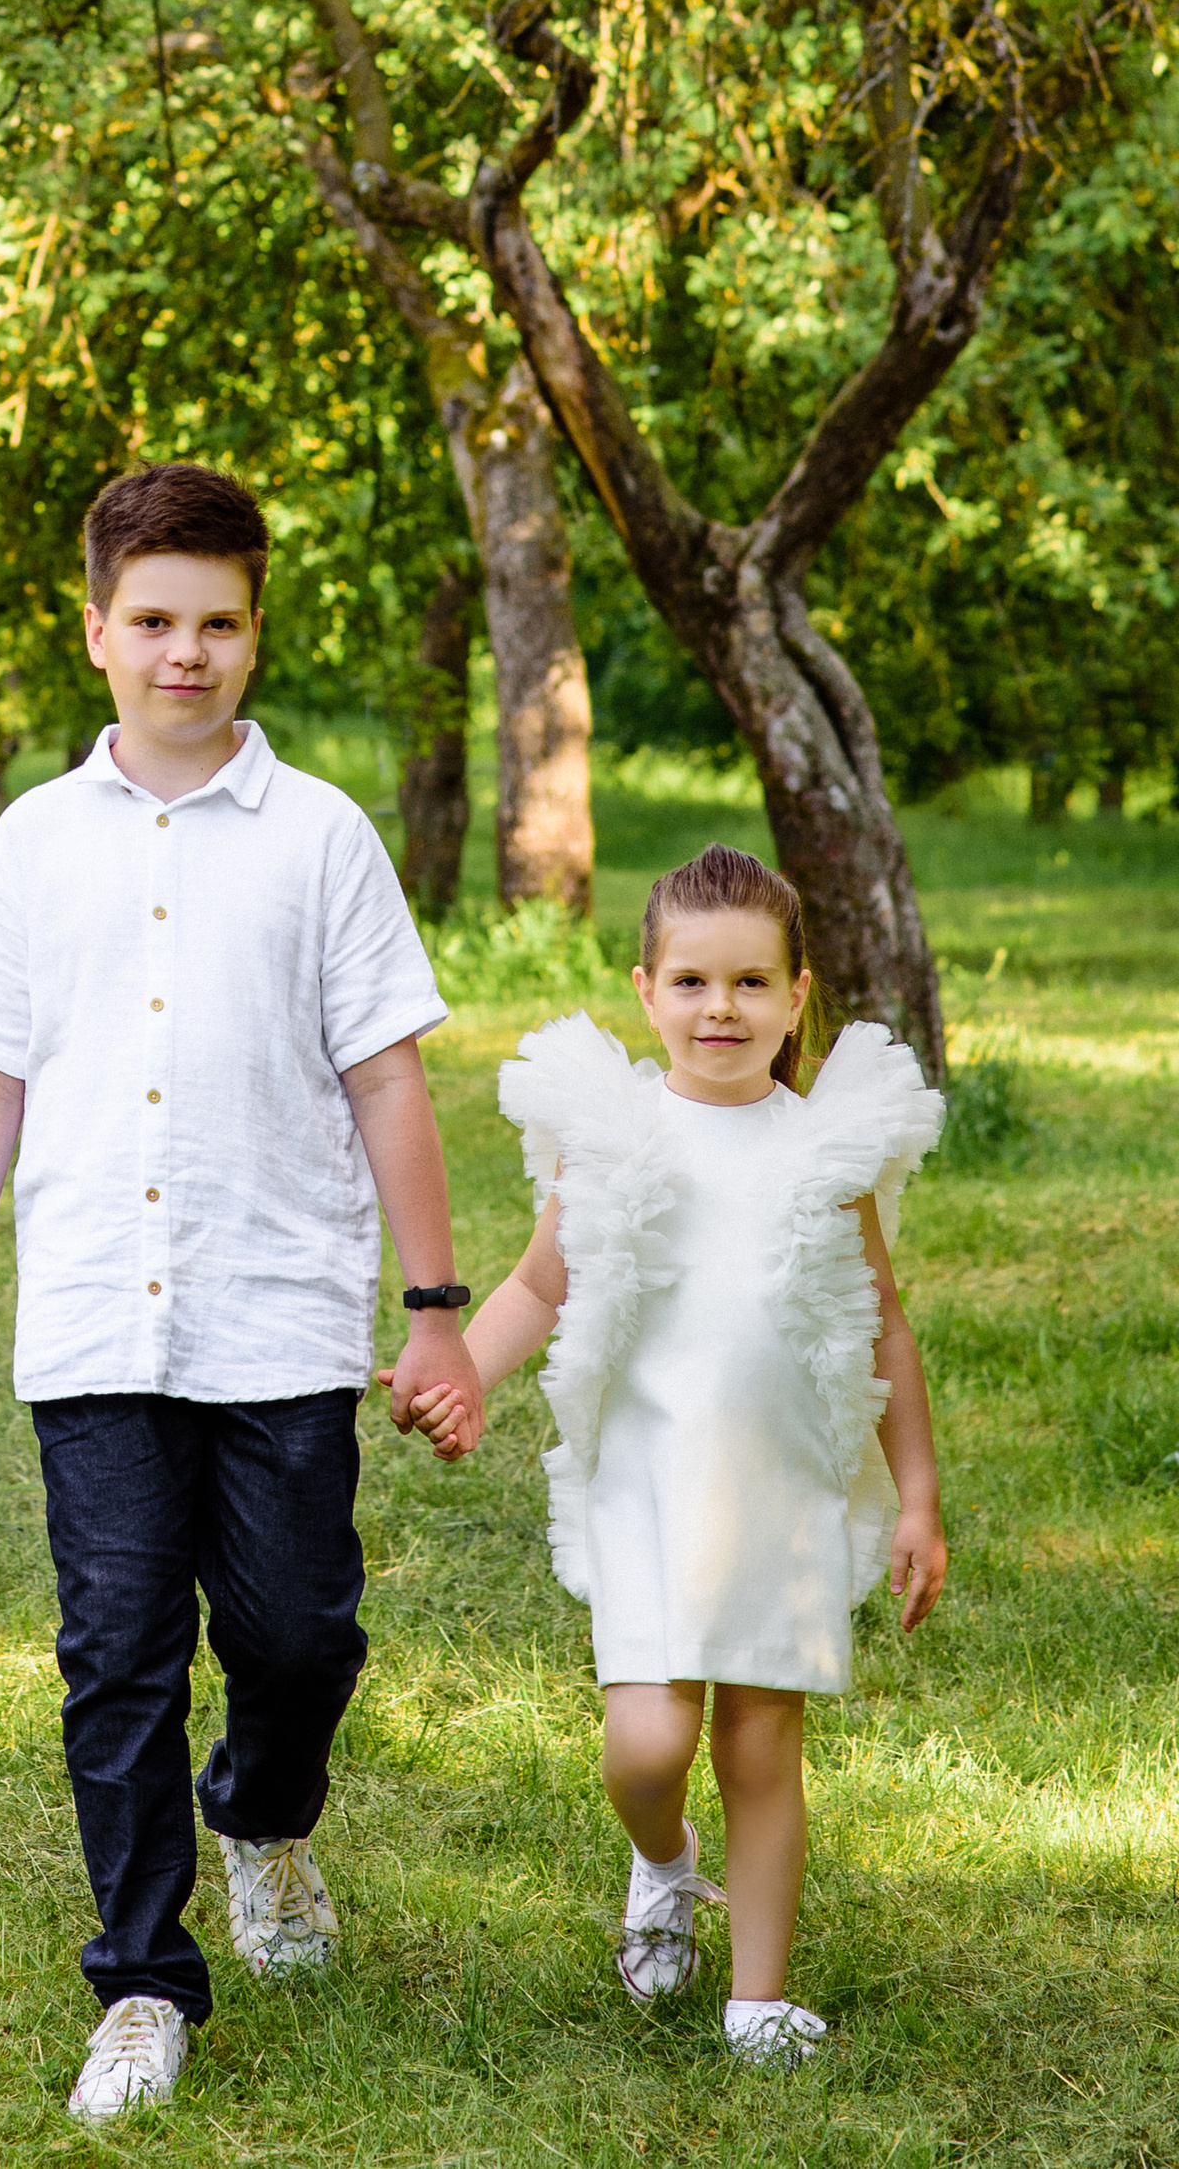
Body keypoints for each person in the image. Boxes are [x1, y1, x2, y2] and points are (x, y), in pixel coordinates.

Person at [0, 461, 480, 2122]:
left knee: (299, 1628)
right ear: (95, 629)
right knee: (118, 1651)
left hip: (280, 1309)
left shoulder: (321, 835)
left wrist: (435, 1303)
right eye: (152, 619)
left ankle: (265, 1807)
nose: (185, 651)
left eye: (216, 621)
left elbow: (389, 1080)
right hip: (94, 1314)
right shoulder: (32, 842)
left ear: (253, 631)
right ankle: (147, 1978)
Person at [410, 842, 947, 2068]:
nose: (722, 1009)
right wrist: (462, 1376)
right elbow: (541, 1287)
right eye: (694, 982)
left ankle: (757, 2000)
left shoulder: (824, 1150)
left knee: (761, 1745)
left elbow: (882, 1325)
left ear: (797, 995)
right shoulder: (618, 1140)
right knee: (648, 1745)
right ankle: (662, 1863)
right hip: (650, 1489)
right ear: (645, 990)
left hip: (783, 1490)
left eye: (751, 984)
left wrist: (914, 1496)